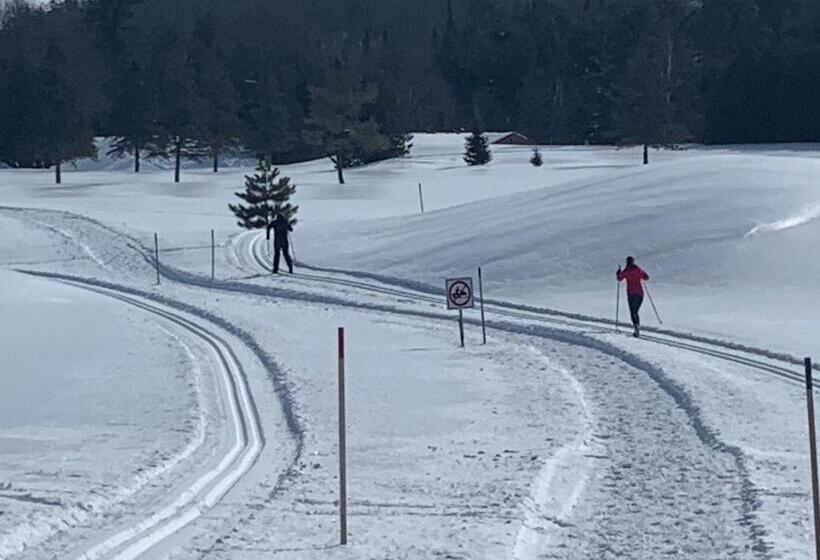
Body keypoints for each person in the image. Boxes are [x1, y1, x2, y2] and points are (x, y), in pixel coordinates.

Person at [617, 256, 650, 337]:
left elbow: (619, 279)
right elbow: (646, 277)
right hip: (640, 294)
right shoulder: (638, 269)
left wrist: (618, 272)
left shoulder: (626, 271)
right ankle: (637, 326)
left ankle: (636, 327)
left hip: (631, 294)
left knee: (633, 312)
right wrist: (640, 276)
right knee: (635, 311)